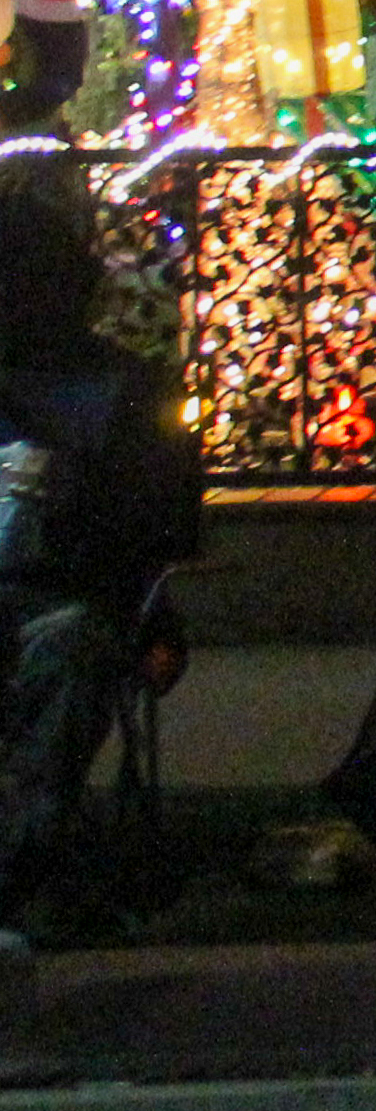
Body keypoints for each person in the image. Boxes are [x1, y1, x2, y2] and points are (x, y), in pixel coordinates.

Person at [0, 195, 200, 941]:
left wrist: (73, 493)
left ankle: (21, 871)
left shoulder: (126, 391)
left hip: (72, 596)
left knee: (69, 650)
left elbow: (164, 528)